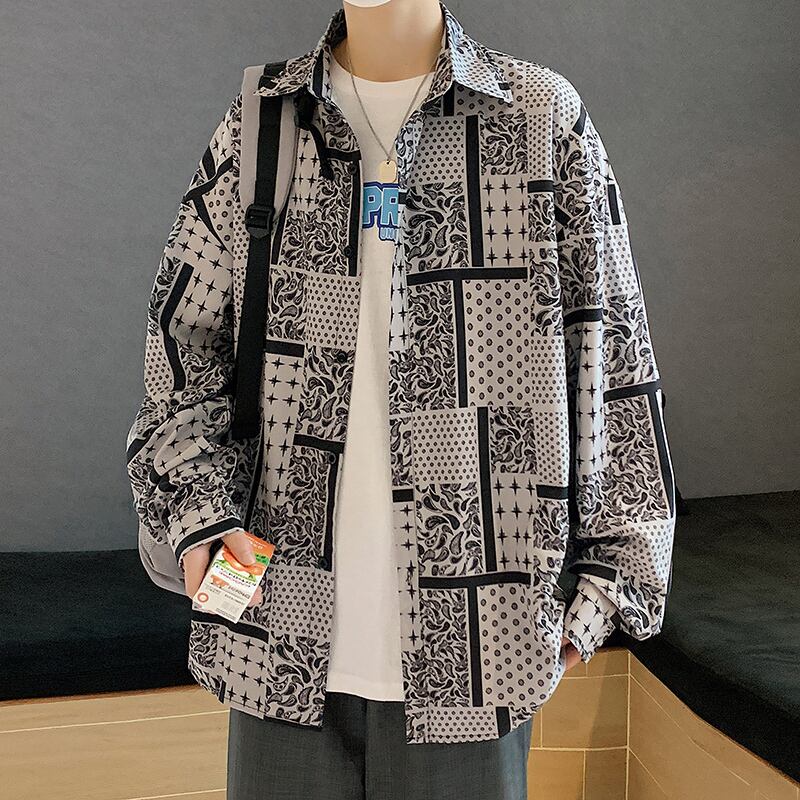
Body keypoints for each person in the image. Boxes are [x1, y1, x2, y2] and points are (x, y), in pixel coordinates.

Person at [125, 0, 676, 797]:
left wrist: (599, 597)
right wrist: (201, 517)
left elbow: (614, 358)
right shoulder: (264, 123)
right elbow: (182, 347)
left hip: (479, 660)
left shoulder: (538, 120)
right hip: (276, 640)